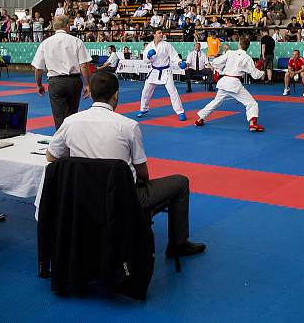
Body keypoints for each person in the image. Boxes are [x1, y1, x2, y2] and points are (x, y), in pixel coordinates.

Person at [46, 72, 205, 258]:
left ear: (91, 94)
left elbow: (51, 157)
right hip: (124, 197)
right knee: (180, 182)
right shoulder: (128, 126)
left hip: (83, 194)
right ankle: (178, 244)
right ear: (116, 95)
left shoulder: (71, 121)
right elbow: (143, 174)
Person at [32, 15, 92, 130]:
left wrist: (39, 85)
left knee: (59, 116)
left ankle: (61, 144)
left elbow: (38, 69)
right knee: (72, 114)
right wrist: (87, 84)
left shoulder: (45, 43)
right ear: (68, 25)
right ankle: (72, 142)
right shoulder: (76, 41)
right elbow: (84, 65)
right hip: (74, 82)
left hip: (56, 82)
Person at [194, 36, 266, 131]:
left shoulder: (230, 53)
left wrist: (219, 67)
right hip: (234, 83)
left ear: (239, 44)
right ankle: (253, 124)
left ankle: (200, 119)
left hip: (224, 81)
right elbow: (255, 75)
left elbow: (215, 61)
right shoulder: (247, 58)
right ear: (248, 46)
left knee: (216, 102)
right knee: (251, 103)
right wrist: (262, 72)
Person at [137, 28, 187, 120]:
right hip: (154, 71)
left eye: (161, 33)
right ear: (154, 35)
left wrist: (179, 62)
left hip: (165, 71)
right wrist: (148, 56)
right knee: (146, 91)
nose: (161, 34)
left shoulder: (166, 45)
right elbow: (145, 61)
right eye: (159, 33)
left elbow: (174, 56)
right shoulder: (149, 46)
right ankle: (143, 108)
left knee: (172, 91)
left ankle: (180, 111)